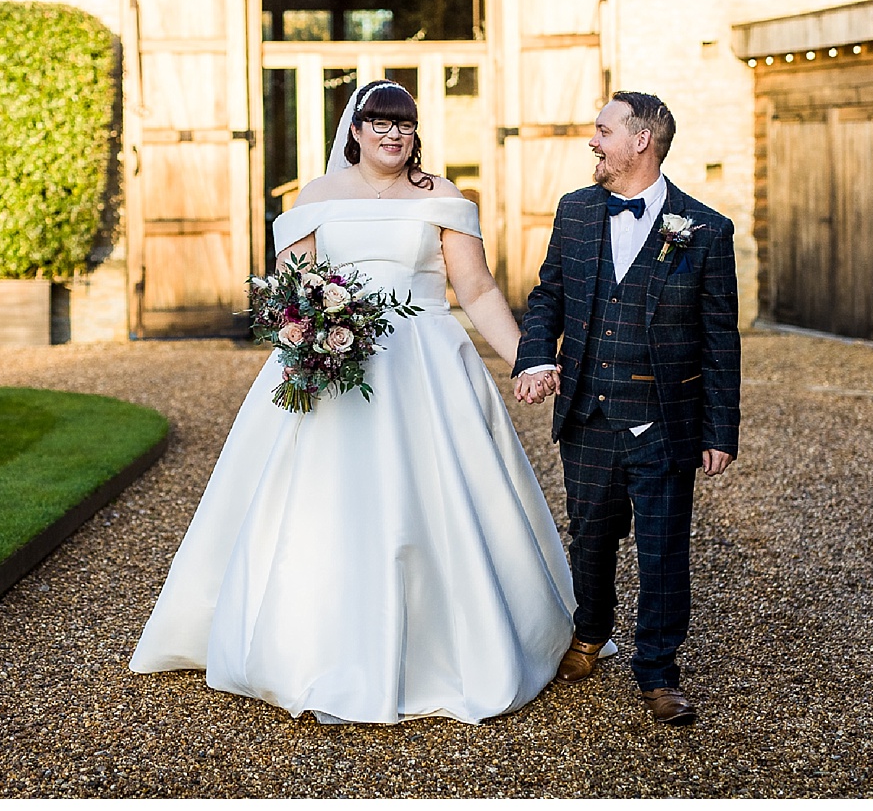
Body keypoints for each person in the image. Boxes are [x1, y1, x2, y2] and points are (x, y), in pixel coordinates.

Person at [131, 80, 590, 725]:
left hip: (425, 363)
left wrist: (528, 358)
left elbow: (478, 290)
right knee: (320, 501)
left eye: (403, 125)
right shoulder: (316, 199)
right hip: (334, 366)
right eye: (378, 123)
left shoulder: (443, 199)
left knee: (436, 497)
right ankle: (308, 645)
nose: (392, 134)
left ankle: (455, 646)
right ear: (353, 130)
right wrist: (307, 334)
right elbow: (294, 291)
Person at [511, 90, 741, 726]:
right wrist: (534, 358)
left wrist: (721, 427)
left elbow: (721, 337)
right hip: (588, 413)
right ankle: (589, 634)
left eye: (604, 130)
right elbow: (548, 295)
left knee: (664, 547)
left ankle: (659, 672)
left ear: (641, 141)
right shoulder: (577, 212)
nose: (594, 139)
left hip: (665, 420)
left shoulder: (707, 229)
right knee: (590, 535)